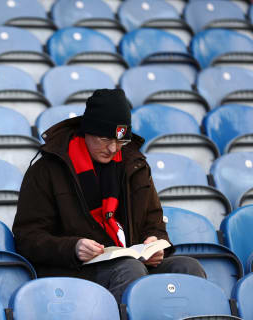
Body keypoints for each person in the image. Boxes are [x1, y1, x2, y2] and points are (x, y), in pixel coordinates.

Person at [12, 89, 206, 303]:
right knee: (129, 269)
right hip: (73, 270)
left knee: (188, 267)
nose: (113, 148)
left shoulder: (134, 165)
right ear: (87, 131)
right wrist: (72, 248)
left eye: (120, 140)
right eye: (105, 139)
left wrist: (157, 244)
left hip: (131, 265)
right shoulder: (47, 168)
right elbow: (27, 237)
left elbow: (154, 222)